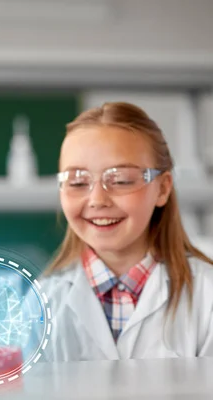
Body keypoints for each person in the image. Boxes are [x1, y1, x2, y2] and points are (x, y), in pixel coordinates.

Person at [41, 101, 213, 361]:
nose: (98, 199)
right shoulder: (43, 302)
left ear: (163, 188)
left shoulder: (206, 296)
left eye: (121, 180)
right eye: (77, 181)